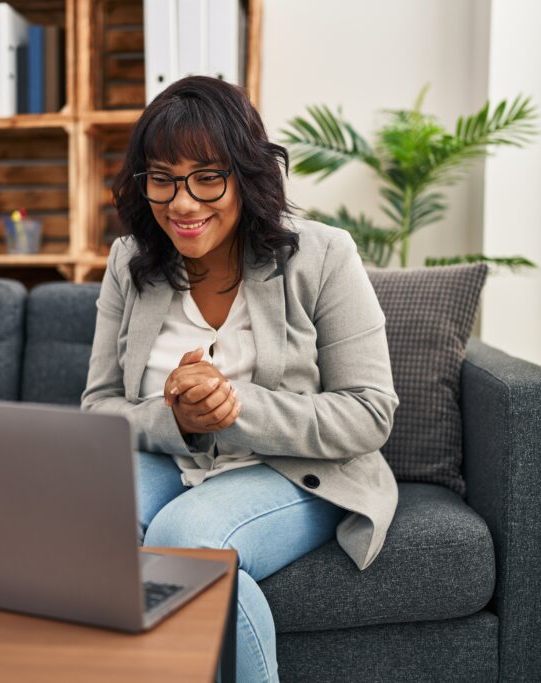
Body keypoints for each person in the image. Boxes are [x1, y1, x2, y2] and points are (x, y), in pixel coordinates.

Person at [81, 75, 399, 683]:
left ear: (248, 175)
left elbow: (369, 412)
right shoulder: (130, 262)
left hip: (294, 468)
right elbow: (98, 408)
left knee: (186, 539)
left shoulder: (323, 255)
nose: (182, 202)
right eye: (162, 177)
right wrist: (177, 420)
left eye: (207, 176)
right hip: (173, 460)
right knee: (86, 524)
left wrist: (235, 408)